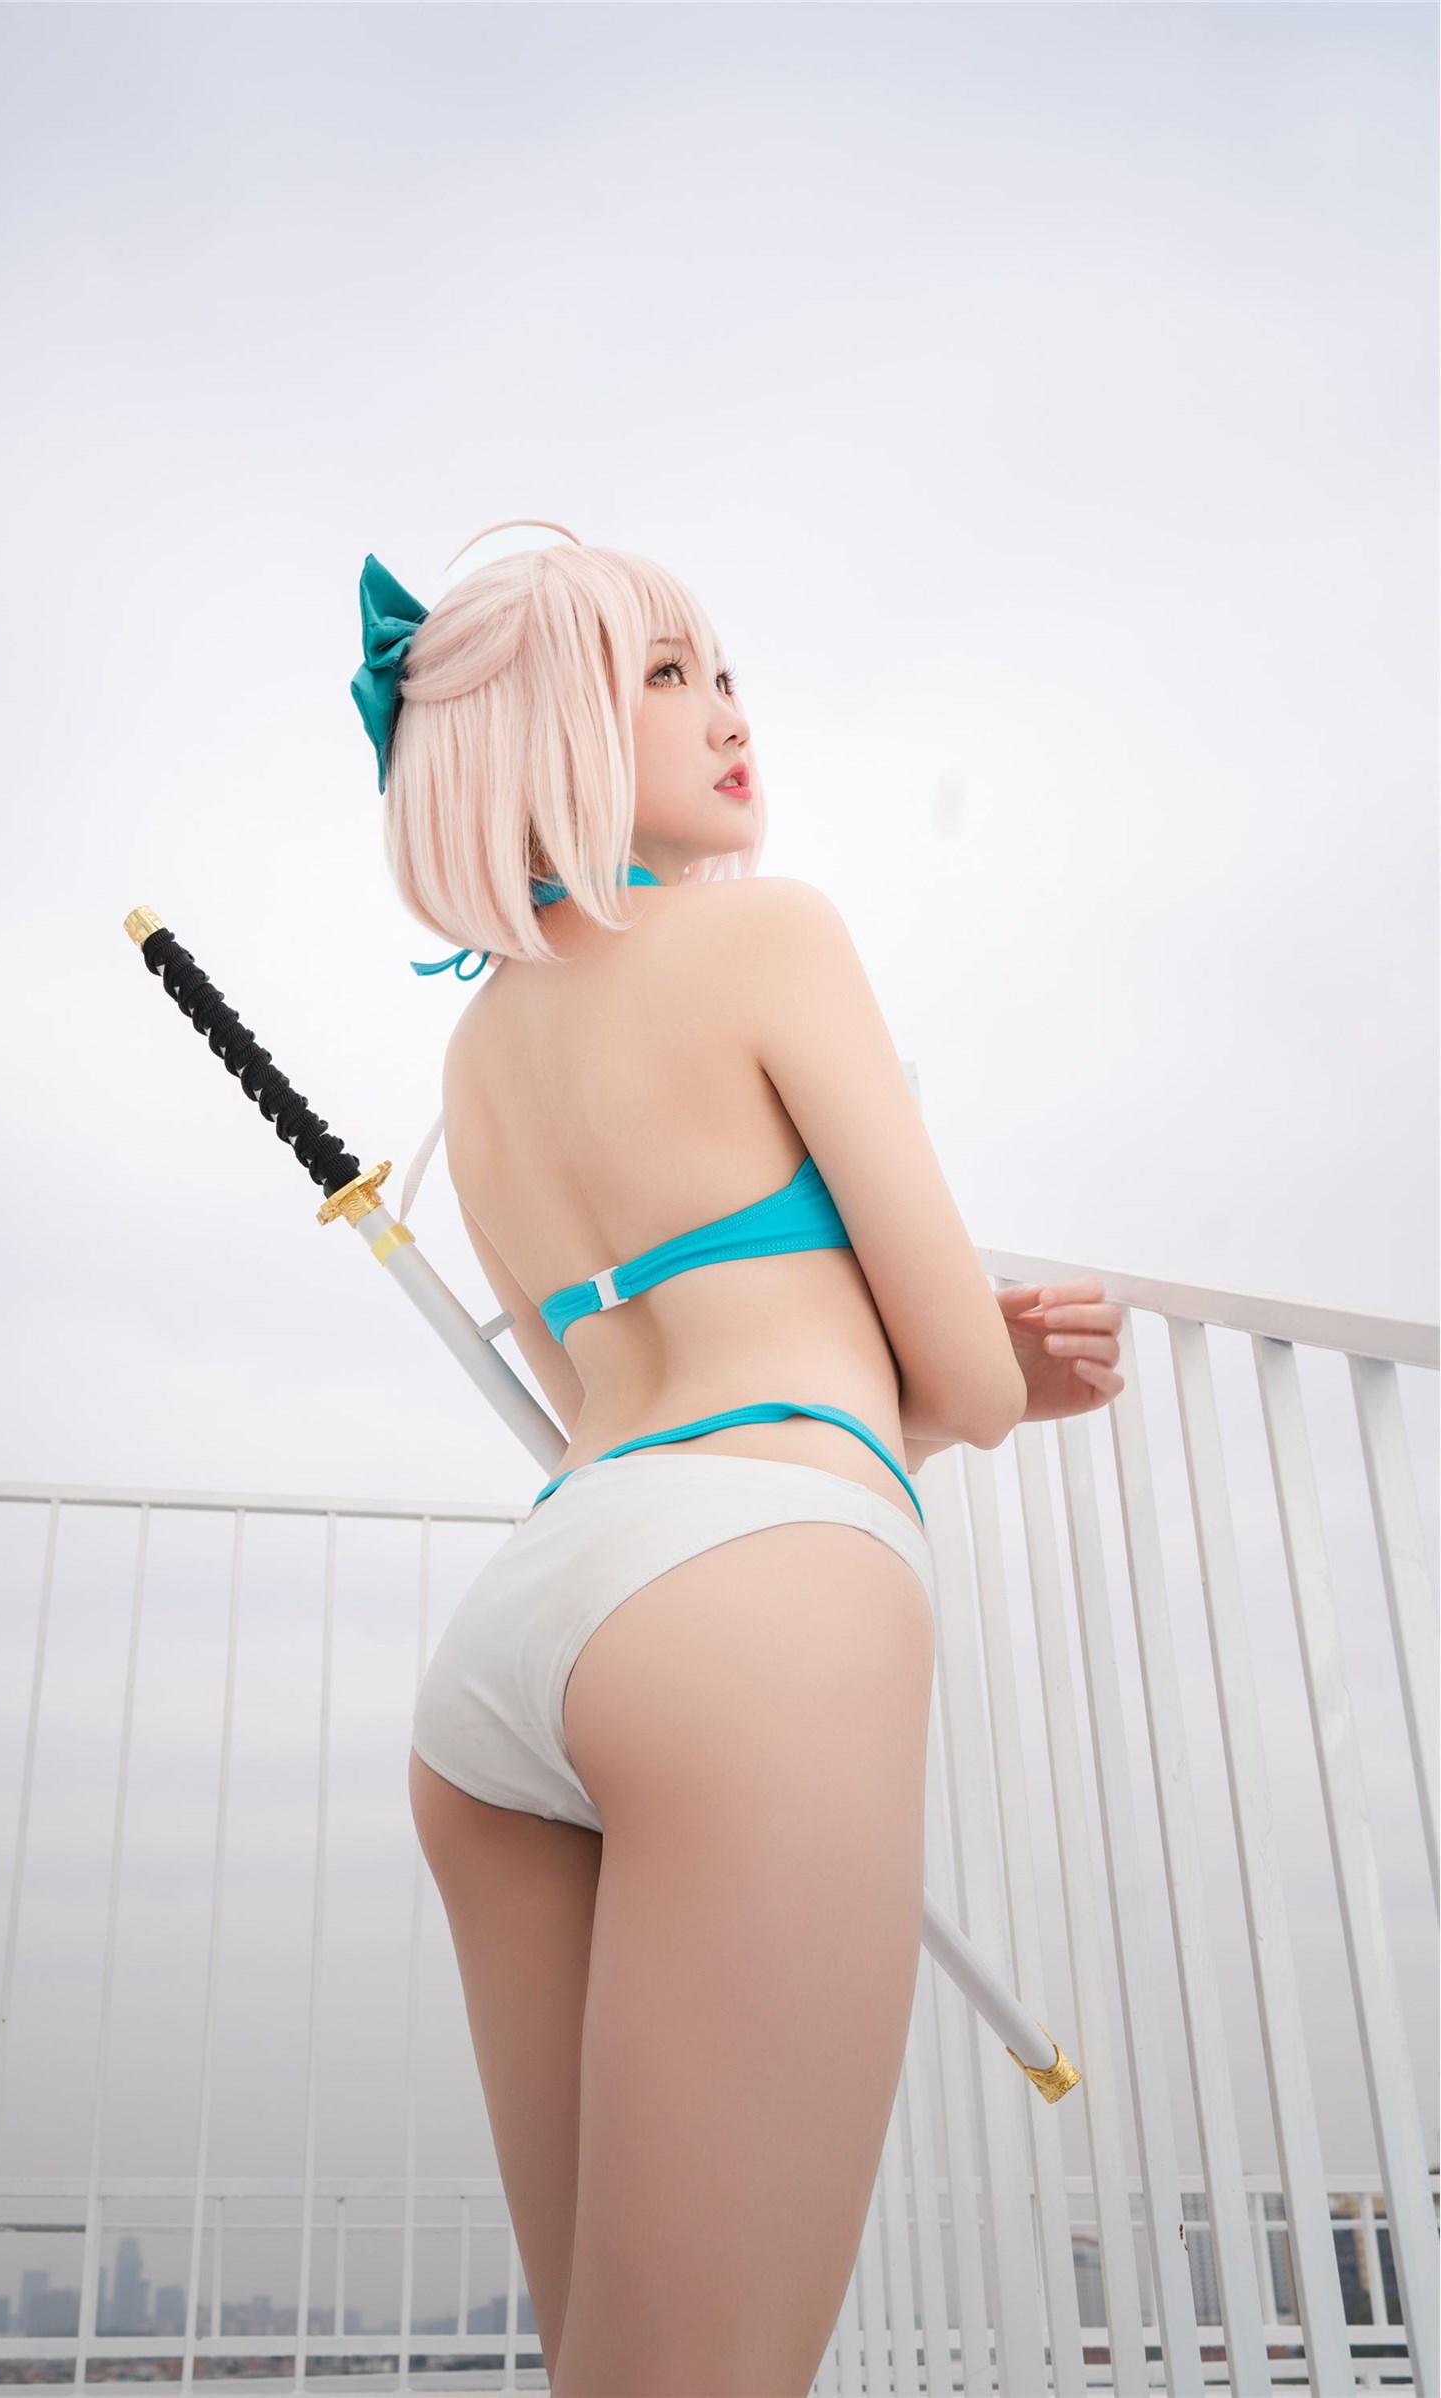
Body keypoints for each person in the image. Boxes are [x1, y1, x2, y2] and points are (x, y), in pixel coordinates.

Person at [358, 526, 1123, 2396]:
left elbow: (622, 1395)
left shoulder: (474, 1059)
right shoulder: (773, 935)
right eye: (662, 674)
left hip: (524, 1648)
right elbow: (957, 1380)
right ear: (541, 731)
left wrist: (892, 1385)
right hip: (754, 1614)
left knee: (616, 2368)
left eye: (723, 670)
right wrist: (998, 1372)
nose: (725, 712)